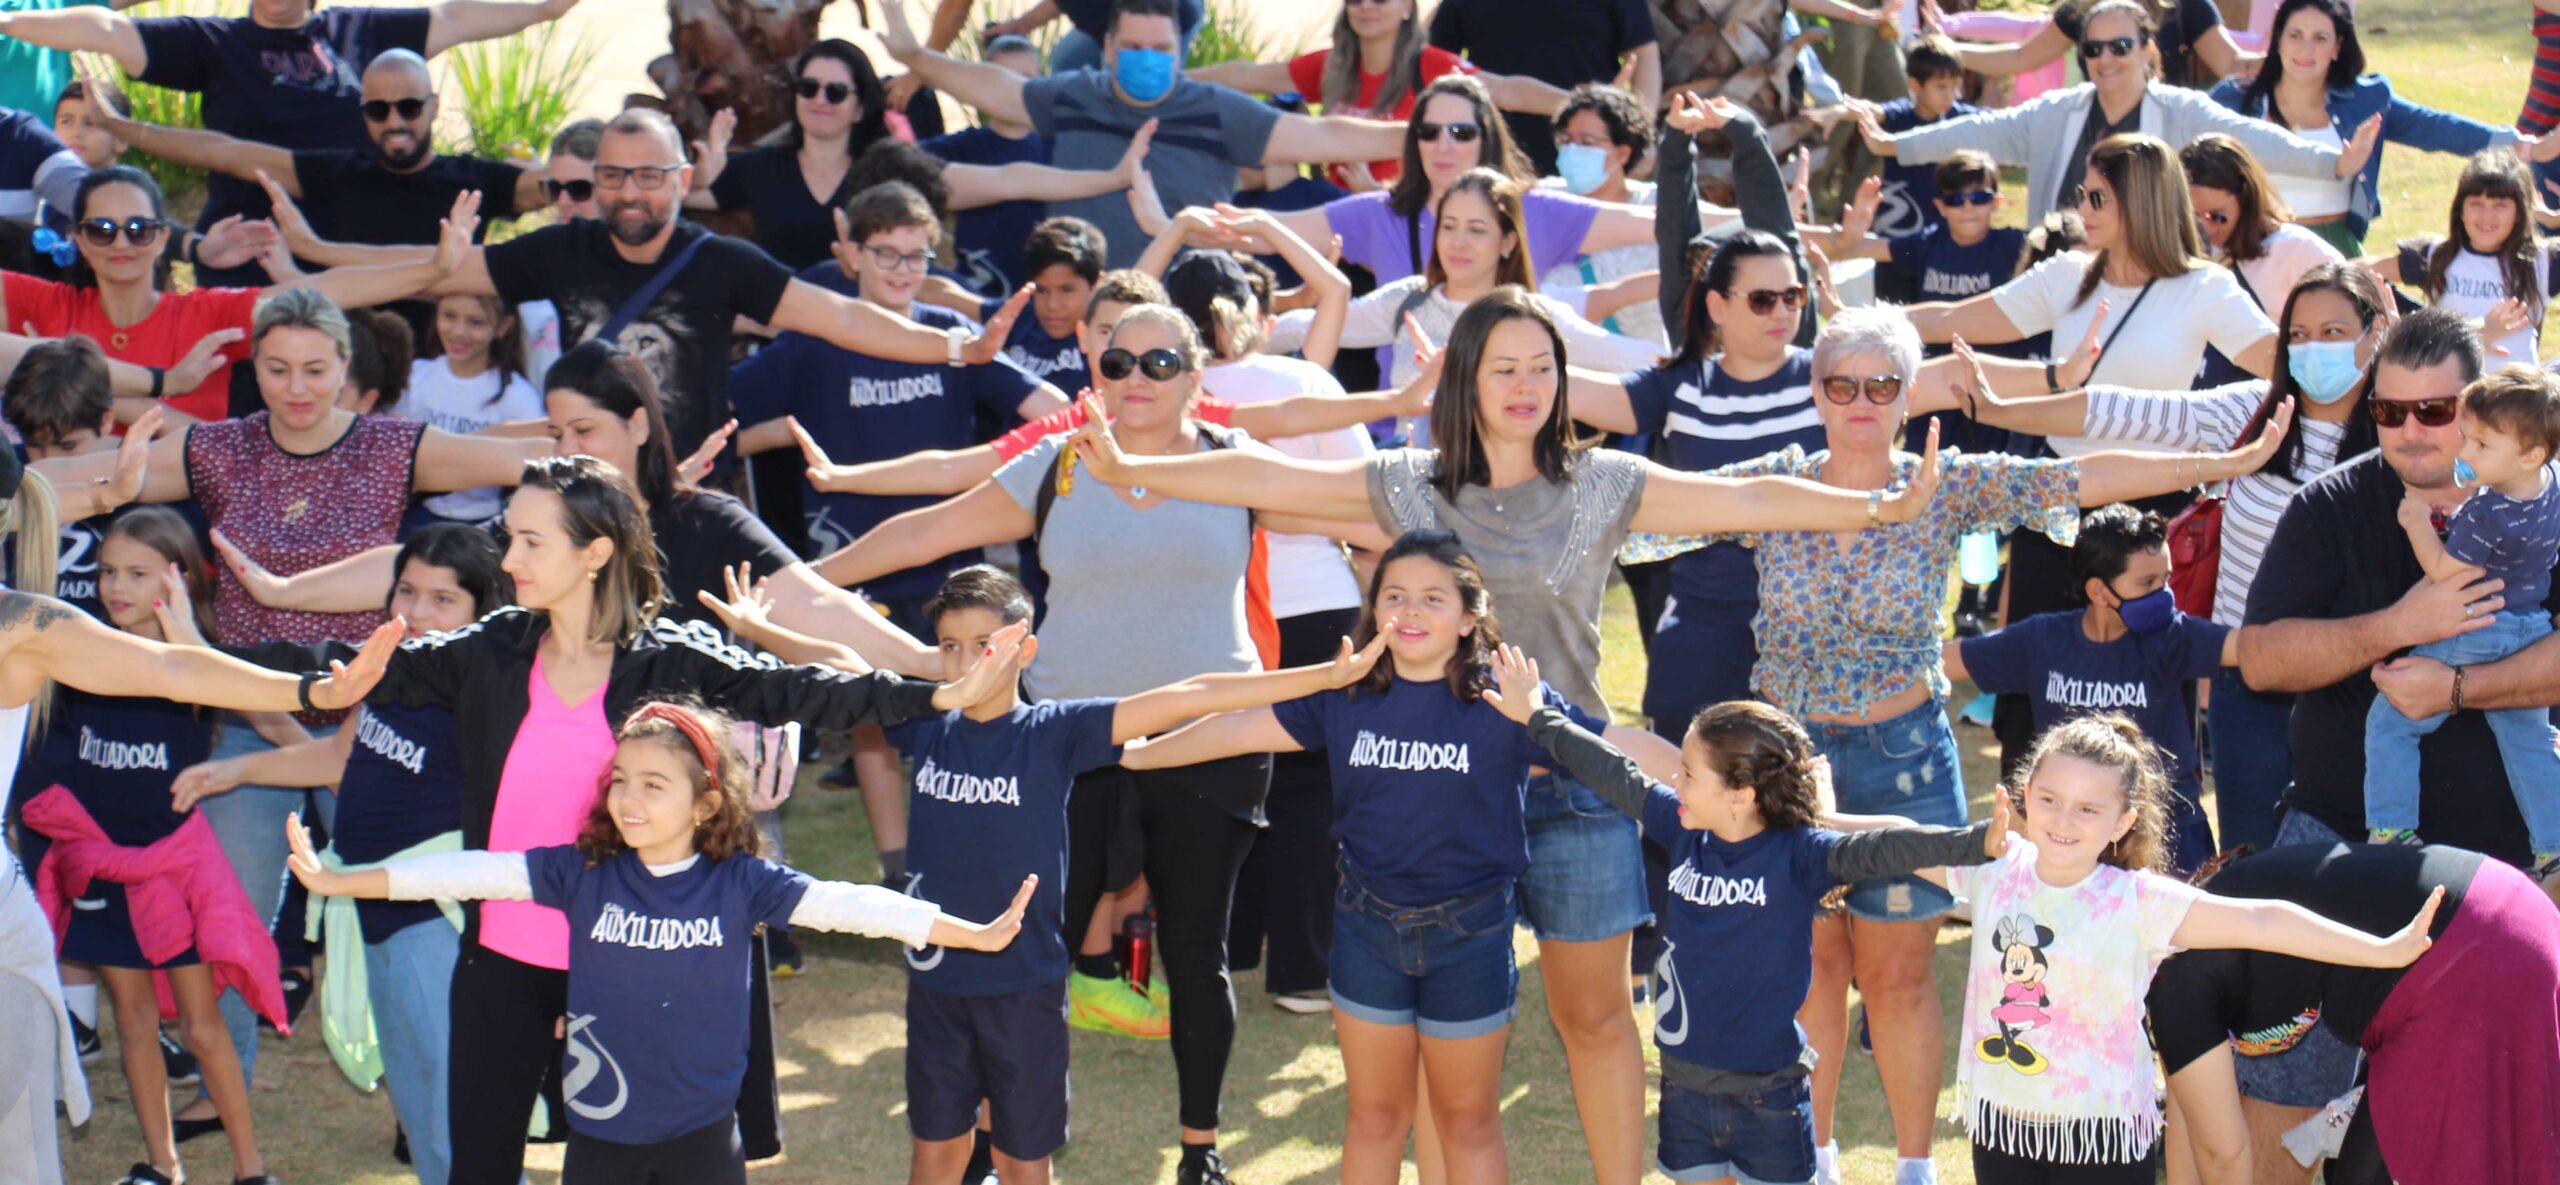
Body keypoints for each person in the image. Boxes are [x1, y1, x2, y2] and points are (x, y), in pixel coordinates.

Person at [1065, 288, 1945, 1185]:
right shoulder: (1409, 482)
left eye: (1542, 368)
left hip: (1574, 782)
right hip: (1444, 789)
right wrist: (1134, 466)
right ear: (1468, 381)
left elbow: (1750, 494)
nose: (1525, 386)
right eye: (1504, 368)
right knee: (1449, 1047)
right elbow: (1265, 479)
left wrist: (1875, 508)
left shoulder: (1605, 484)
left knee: (1596, 1018)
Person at [1621, 304, 2288, 1185]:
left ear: (1908, 396)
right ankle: (1814, 1158)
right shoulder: (1779, 480)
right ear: (1815, 392)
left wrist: (2220, 462)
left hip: (1904, 759)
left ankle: (1909, 1166)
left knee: (1898, 977)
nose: (1861, 401)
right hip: (1786, 771)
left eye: (1883, 384)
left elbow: (2078, 478)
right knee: (1810, 970)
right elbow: (1649, 509)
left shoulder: (1947, 480)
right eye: (1841, 384)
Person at [812, 305, 1333, 1182]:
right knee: (1021, 947)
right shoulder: (1054, 465)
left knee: (1197, 951)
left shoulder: (1234, 466)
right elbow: (925, 529)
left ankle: (1200, 1147)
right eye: (1118, 358)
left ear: (1196, 376)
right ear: (1095, 369)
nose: (1137, 375)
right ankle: (984, 1138)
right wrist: (802, 581)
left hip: (1210, 740)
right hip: (1065, 744)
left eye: (1160, 360)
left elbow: (1358, 509)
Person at [710, 558, 1389, 1185]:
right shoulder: (926, 723)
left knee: (1023, 1160)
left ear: (1024, 647)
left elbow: (1193, 690)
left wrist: (1318, 677)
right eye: (949, 645)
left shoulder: (1055, 732)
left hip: (1024, 987)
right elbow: (839, 664)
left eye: (985, 643)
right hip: (938, 982)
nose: (965, 659)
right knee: (936, 1154)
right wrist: (760, 630)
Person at [278, 696, 1035, 1185]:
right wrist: (346, 880)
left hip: (702, 1138)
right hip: (601, 1137)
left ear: (707, 803)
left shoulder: (743, 883)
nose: (629, 798)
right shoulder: (584, 872)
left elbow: (854, 906)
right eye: (621, 780)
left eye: (653, 784)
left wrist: (967, 931)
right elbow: (474, 869)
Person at [1119, 538, 1633, 1185]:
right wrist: (1138, 754)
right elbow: (1239, 728)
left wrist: (1708, 788)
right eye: (1395, 596)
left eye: (1433, 598)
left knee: (1467, 1121)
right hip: (1367, 928)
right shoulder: (1348, 693)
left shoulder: (1506, 697)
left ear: (1470, 616)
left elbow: (1612, 751)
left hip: (1470, 935)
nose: (1411, 611)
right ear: (1374, 608)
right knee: (1374, 1117)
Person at [1916, 262, 2390, 851]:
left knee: (2351, 869)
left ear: (2377, 332)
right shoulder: (2251, 412)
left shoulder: (2404, 430)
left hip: (2362, 692)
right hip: (2253, 691)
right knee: (2253, 864)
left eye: (2334, 332)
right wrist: (1999, 410)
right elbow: (2116, 410)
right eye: (2298, 334)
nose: (2313, 349)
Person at [1519, 688, 2002, 1185]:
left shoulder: (1801, 854)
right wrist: (1537, 717)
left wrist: (1977, 841)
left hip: (1770, 1102)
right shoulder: (1685, 831)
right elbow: (1611, 770)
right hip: (1685, 1090)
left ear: (1740, 794)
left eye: (1688, 773)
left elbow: (1889, 847)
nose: (1674, 781)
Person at [1944, 714, 2439, 1184]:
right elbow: (1900, 841)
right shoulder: (1996, 871)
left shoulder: (2137, 901)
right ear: (2025, 794)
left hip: (2100, 1142)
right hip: (2002, 1129)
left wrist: (2382, 950)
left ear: (2122, 823)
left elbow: (2264, 921)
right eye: (2050, 799)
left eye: (2088, 808)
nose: (2064, 820)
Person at [168, 525, 509, 1185]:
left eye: (444, 599)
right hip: (369, 914)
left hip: (436, 923)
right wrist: (234, 773)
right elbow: (335, 758)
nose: (416, 611)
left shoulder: (486, 693)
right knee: (418, 1103)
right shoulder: (391, 670)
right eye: (407, 590)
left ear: (482, 610)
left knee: (454, 1107)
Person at [17, 507, 295, 1185]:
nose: (117, 587)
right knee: (135, 1022)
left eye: (138, 574)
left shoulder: (195, 664)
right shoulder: (75, 656)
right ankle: (163, 1163)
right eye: (108, 571)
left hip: (172, 873)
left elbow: (270, 716)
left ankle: (248, 1166)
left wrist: (328, 760)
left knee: (202, 1027)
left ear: (176, 580)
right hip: (103, 870)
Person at [2236, 306, 2541, 865]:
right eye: (2388, 410)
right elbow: (2259, 661)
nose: (2411, 430)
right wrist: (2400, 625)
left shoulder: (2541, 501)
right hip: (2340, 830)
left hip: (2513, 843)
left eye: (2433, 409)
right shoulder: (2326, 507)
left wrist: (2458, 688)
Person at [0, 0, 578, 287]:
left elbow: (484, 12)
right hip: (244, 258)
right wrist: (7, 22)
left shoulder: (366, 30)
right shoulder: (213, 41)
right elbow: (107, 30)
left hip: (360, 264)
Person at [1158, 245, 1370, 1015]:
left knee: (1223, 771)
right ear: (1258, 310)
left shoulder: (1161, 396)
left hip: (1209, 609)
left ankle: (1235, 942)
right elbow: (1368, 498)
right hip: (1312, 600)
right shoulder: (1301, 381)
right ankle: (1305, 967)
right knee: (1312, 784)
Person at [875, 0, 1409, 269]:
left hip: (1184, 309)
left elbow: (1323, 136)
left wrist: (1423, 134)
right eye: (1133, 48)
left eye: (1160, 50)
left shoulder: (1217, 111)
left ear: (1180, 50)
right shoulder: (1076, 94)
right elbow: (998, 89)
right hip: (1077, 303)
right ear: (1108, 48)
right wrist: (916, 58)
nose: (1146, 59)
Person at [2150, 841, 2560, 1185]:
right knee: (2358, 1170)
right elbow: (2189, 1123)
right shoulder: (2184, 934)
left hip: (2474, 952)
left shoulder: (2174, 975)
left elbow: (2225, 1156)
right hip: (2505, 914)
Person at [82, 48, 545, 308]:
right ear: (363, 113)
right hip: (349, 357)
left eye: (409, 107)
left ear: (434, 106)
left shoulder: (477, 181)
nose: (395, 122)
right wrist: (120, 127)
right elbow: (226, 153)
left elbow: (564, 189)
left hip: (450, 358)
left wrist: (564, 169)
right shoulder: (342, 172)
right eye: (379, 110)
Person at [2, 165, 460, 425]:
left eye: (139, 229)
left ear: (163, 238)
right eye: (102, 231)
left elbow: (322, 290)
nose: (122, 243)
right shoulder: (47, 304)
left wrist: (431, 269)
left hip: (178, 531)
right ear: (79, 241)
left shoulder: (208, 316)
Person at [1859, 1, 2365, 232]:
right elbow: (1981, 130)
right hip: (2059, 271)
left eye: (2121, 46)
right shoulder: (2057, 112)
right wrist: (1895, 145)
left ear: (2148, 49)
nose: (2105, 58)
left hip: (2150, 277)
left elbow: (2251, 138)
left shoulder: (2180, 113)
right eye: (2094, 48)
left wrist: (2332, 164)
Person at [1903, 133, 2282, 418]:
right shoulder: (2065, 273)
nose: (2081, 208)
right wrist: (1855, 319)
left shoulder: (2206, 289)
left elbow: (2288, 369)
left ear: (2141, 203)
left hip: (2153, 501)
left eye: (2097, 198)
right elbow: (1948, 320)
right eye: (2084, 193)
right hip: (2061, 494)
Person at [1945, 504, 2233, 873]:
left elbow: (2246, 649)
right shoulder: (2044, 640)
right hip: (2076, 840)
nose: (2163, 596)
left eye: (2165, 580)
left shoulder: (2173, 637)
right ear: (2098, 590)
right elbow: (1947, 662)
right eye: (2147, 584)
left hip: (2170, 836)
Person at [1267, 168, 1659, 428]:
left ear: (1507, 241)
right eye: (1449, 226)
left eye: (1476, 230)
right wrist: (1234, 345)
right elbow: (1303, 329)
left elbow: (1629, 358)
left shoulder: (1534, 318)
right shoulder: (1408, 301)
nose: (1458, 242)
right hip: (1403, 483)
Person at [2364, 364, 2560, 880]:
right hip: (2531, 625)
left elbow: (2443, 572)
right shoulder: (2549, 483)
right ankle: (2553, 847)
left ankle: (2390, 828)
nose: (2465, 454)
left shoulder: (2487, 513)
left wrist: (2415, 523)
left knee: (2390, 721)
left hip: (2478, 629)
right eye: (2466, 439)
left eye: (2480, 446)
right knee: (2531, 743)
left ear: (2530, 452)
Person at [1260, 76, 1672, 300]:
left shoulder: (1536, 209)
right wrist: (1197, 223)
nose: (1444, 145)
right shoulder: (1380, 214)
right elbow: (1267, 230)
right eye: (1429, 131)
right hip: (1405, 427)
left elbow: (1658, 223)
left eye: (1461, 132)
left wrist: (1737, 200)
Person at [2212, 0, 2539, 257]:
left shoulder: (2366, 100)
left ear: (2337, 47)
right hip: (2256, 245)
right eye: (2295, 35)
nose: (2305, 49)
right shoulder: (2234, 101)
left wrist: (2519, 144)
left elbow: (2434, 127)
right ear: (2277, 41)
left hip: (2335, 245)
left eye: (2320, 38)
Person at [1187, 0, 1567, 190]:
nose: (1367, 7)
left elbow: (1506, 90)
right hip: (1334, 216)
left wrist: (1576, 103)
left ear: (1406, 7)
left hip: (1407, 216)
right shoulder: (1333, 67)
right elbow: (1248, 75)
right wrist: (1172, 79)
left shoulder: (1431, 67)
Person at [2180, 133, 2344, 385]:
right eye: (2194, 217)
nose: (2206, 228)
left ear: (2246, 197)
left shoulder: (2294, 249)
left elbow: (2351, 326)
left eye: (2217, 216)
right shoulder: (2183, 257)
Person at [2368, 148, 2558, 365]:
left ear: (2519, 213)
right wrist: (2475, 332)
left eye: (2500, 205)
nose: (2487, 216)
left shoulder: (2542, 261)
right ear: (2460, 210)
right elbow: (2354, 271)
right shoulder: (2435, 256)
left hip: (2516, 395)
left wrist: (2554, 220)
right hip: (2448, 394)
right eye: (2477, 204)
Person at [1425, 0, 1660, 176]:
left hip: (1589, 159)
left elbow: (1643, 55)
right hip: (1494, 162)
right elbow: (1433, 63)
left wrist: (1642, 135)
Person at [921, 34, 1057, 295]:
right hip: (977, 290)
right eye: (1003, 80)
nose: (1015, 91)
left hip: (1043, 295)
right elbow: (900, 163)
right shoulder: (960, 147)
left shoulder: (1056, 150)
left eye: (1027, 80)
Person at [395, 292, 541, 531]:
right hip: (414, 515)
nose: (458, 332)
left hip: (481, 523)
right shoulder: (415, 376)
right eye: (449, 316)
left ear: (502, 327)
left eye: (476, 322)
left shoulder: (517, 396)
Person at [1535, 84, 1667, 348]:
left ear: (1623, 152)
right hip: (1561, 371)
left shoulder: (1659, 204)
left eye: (1586, 142)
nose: (1572, 151)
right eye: (1566, 140)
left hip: (1645, 371)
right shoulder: (1544, 199)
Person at [1812, 151, 2030, 308]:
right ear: (1940, 207)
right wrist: (1844, 236)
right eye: (1955, 200)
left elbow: (2058, 245)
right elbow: (1856, 249)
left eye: (1979, 198)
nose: (1968, 208)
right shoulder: (1926, 244)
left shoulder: (2014, 245)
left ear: (1995, 202)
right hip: (1934, 359)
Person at [1942, 0, 2259, 91]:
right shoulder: (2082, 7)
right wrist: (1948, 52)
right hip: (2098, 139)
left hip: (2164, 136)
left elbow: (2231, 64)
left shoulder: (2186, 6)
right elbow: (2021, 57)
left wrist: (2292, 50)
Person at [1855, 36, 1982, 240]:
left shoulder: (1961, 118)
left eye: (1955, 86)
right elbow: (1869, 110)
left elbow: (1998, 122)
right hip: (1896, 230)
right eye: (1941, 87)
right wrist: (1835, 112)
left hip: (1941, 237)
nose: (1950, 95)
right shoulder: (1899, 116)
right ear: (1915, 85)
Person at [50, 79, 126, 171]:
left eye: (90, 123)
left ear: (121, 140)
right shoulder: (40, 182)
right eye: (66, 122)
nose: (76, 132)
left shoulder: (130, 185)